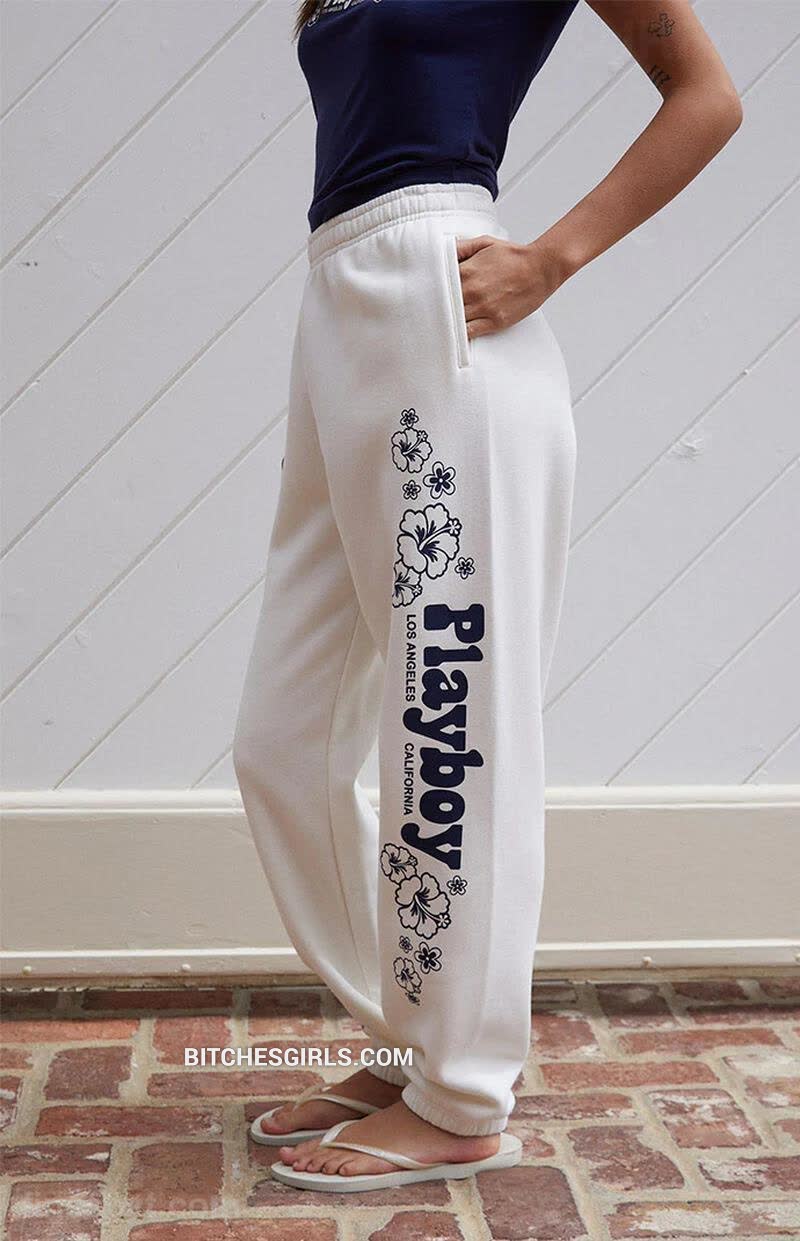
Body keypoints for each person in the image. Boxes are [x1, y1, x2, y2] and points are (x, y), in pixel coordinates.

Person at [233, 0, 742, 1193]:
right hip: (340, 304)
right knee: (281, 739)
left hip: (442, 304)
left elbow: (708, 98)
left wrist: (549, 257)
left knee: (448, 724)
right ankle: (408, 1039)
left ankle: (461, 1094)